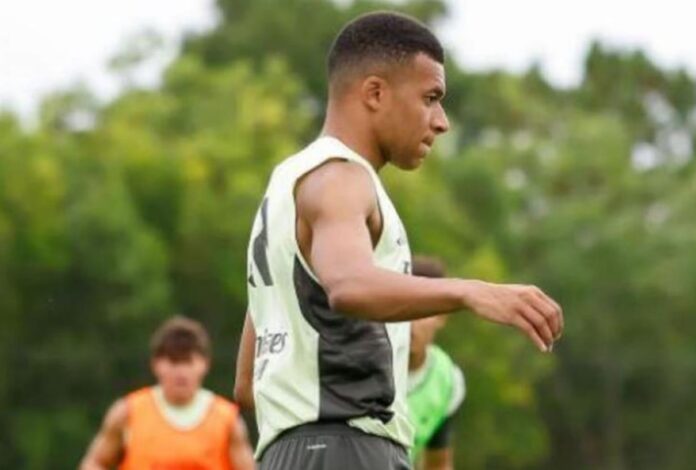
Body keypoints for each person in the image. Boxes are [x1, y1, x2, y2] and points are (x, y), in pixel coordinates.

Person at [235, 11, 563, 470]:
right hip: (348, 451)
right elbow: (350, 285)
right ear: (375, 93)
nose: (441, 121)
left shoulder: (286, 186)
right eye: (430, 98)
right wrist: (469, 291)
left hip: (288, 453)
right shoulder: (341, 178)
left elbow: (247, 384)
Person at [80, 316, 255, 470]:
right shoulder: (128, 413)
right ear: (156, 364)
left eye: (188, 362)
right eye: (173, 362)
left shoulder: (227, 421)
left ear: (204, 364)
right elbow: (94, 463)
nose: (181, 372)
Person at [407, 257, 465, 470]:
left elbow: (438, 464)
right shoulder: (357, 358)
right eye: (402, 307)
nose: (409, 321)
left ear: (442, 317)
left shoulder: (447, 380)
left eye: (422, 310)